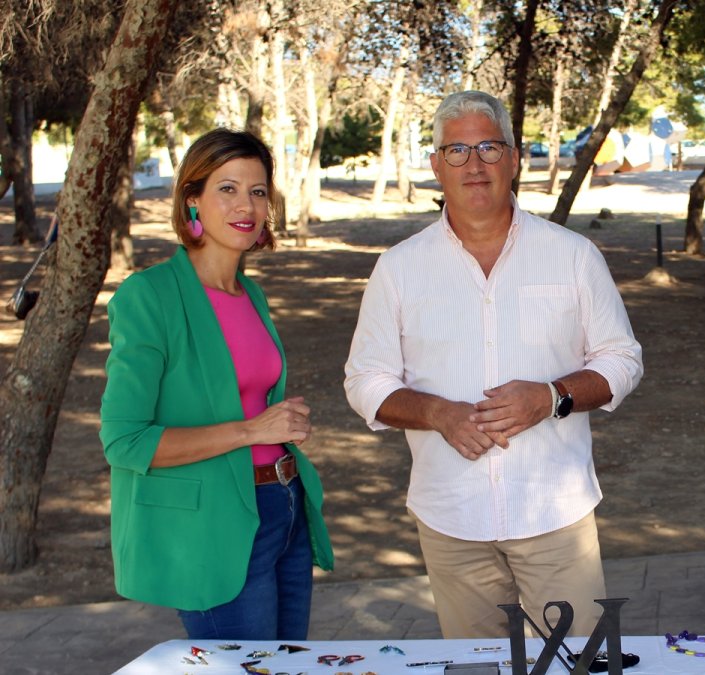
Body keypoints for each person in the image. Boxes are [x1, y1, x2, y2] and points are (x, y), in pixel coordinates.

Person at [344, 90, 643, 639]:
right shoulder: (398, 269)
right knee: (477, 668)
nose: (474, 164)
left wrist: (550, 397)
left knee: (579, 665)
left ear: (514, 158)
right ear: (436, 166)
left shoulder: (573, 255)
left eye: (488, 146)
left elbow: (621, 359)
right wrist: (437, 413)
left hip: (555, 516)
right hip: (451, 518)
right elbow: (366, 379)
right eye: (456, 151)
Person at [100, 129, 334, 640]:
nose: (245, 205)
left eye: (257, 190)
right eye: (227, 189)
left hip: (284, 507)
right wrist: (252, 430)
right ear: (193, 200)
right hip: (213, 528)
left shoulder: (251, 293)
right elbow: (124, 441)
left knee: (288, 669)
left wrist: (279, 425)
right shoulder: (149, 297)